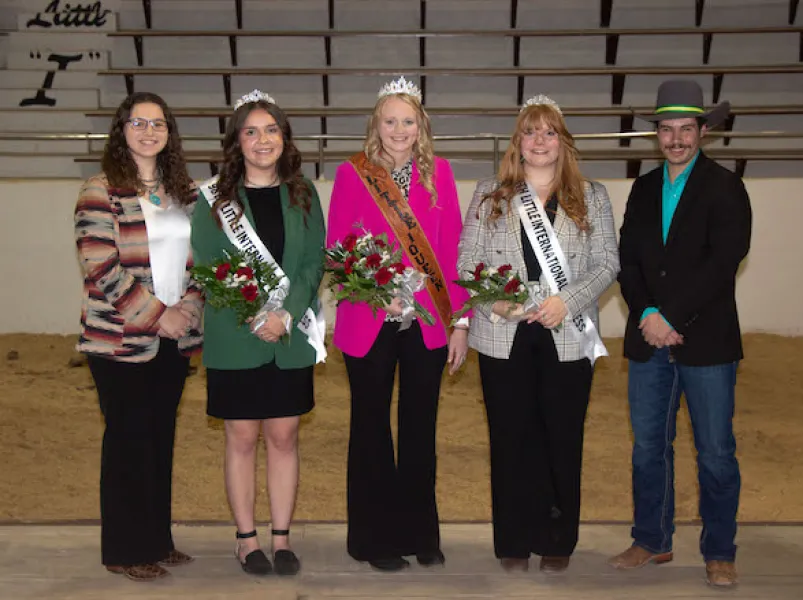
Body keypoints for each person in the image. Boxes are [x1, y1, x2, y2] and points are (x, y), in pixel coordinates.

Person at [457, 94, 619, 572]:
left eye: (550, 132)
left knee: (562, 437)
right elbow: (468, 262)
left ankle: (556, 539)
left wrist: (564, 301)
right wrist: (496, 300)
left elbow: (607, 262)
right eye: (531, 131)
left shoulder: (592, 196)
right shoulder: (490, 194)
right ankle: (512, 539)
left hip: (566, 331)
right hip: (503, 333)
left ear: (563, 142)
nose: (540, 141)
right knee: (510, 438)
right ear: (517, 143)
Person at [608, 79, 752, 588]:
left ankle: (720, 549)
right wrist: (647, 311)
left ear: (703, 131)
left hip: (706, 342)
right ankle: (652, 538)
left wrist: (669, 317)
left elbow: (723, 262)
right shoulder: (644, 189)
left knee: (715, 451)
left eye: (685, 129)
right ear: (657, 135)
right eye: (666, 130)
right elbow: (628, 259)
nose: (675, 139)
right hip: (649, 338)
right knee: (648, 447)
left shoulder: (726, 187)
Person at [326, 76, 469, 572]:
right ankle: (372, 540)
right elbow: (338, 249)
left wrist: (461, 323)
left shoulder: (441, 175)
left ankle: (419, 534)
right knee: (369, 427)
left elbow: (452, 250)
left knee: (419, 427)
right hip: (371, 316)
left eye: (408, 121)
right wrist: (374, 289)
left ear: (421, 126)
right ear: (376, 125)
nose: (399, 130)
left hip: (429, 320)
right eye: (390, 121)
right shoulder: (352, 174)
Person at [190, 90, 327, 577]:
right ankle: (247, 539)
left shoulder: (303, 192)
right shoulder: (213, 200)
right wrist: (257, 313)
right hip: (236, 334)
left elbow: (314, 262)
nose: (262, 139)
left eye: (271, 130)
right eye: (251, 131)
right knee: (242, 436)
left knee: (285, 435)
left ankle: (282, 537)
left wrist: (285, 314)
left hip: (289, 337)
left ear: (284, 138)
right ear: (237, 142)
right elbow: (209, 266)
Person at [74, 92, 203, 582]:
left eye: (158, 124)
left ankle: (156, 540)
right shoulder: (99, 191)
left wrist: (187, 309)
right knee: (128, 441)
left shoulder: (183, 192)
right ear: (121, 130)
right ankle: (124, 549)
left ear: (169, 133)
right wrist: (157, 316)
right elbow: (101, 267)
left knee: (160, 439)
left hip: (175, 337)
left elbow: (204, 261)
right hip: (118, 341)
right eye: (138, 122)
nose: (149, 131)